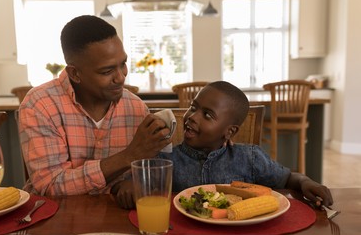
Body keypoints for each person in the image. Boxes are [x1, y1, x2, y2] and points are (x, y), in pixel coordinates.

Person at [113, 81, 333, 209]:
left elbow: (287, 179)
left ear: (230, 131)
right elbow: (130, 182)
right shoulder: (166, 157)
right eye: (193, 107)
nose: (192, 117)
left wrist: (305, 181)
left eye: (207, 115)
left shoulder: (251, 158)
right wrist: (129, 185)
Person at [18, 15, 171, 196]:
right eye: (107, 71)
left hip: (115, 216)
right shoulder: (40, 106)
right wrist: (128, 156)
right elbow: (50, 186)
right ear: (75, 73)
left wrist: (132, 183)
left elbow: (146, 176)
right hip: (57, 219)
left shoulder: (136, 108)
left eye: (123, 64)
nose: (121, 77)